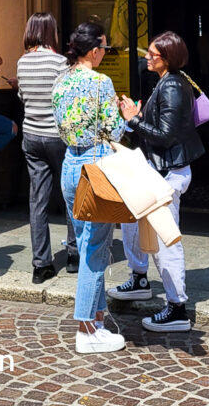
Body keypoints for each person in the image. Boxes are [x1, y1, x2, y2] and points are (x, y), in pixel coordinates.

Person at [115, 31, 204, 334]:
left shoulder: (173, 87)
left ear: (167, 58)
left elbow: (165, 136)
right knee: (131, 223)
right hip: (157, 170)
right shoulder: (167, 83)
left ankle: (177, 307)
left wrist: (132, 119)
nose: (147, 57)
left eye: (152, 54)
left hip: (168, 173)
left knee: (166, 240)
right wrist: (139, 114)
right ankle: (140, 279)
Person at [52, 20, 126, 354]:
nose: (104, 54)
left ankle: (96, 318)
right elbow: (115, 131)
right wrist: (130, 113)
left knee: (85, 244)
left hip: (70, 163)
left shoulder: (60, 80)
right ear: (94, 50)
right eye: (105, 48)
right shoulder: (101, 82)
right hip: (96, 163)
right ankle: (85, 327)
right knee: (95, 248)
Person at [16, 11, 78, 283]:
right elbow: (67, 99)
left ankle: (41, 264)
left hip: (31, 135)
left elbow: (22, 96)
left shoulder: (22, 62)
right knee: (70, 194)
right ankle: (74, 254)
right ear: (51, 31)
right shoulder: (60, 62)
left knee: (37, 200)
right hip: (57, 136)